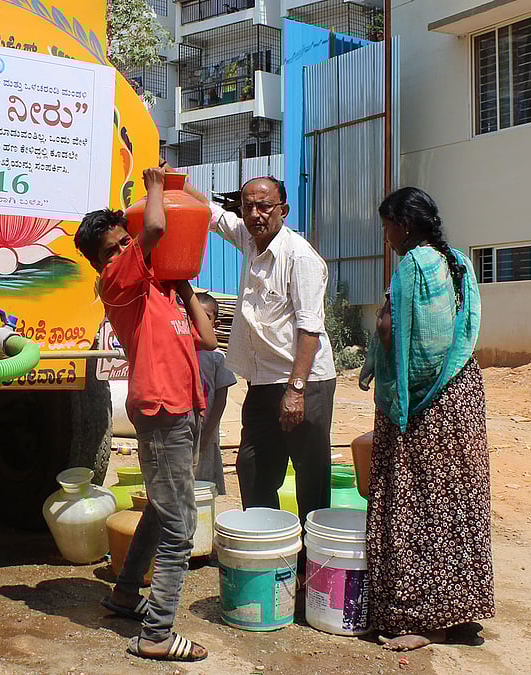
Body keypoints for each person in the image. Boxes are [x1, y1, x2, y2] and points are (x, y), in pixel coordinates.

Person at [74, 166, 216, 663]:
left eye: (121, 243)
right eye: (110, 249)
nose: (119, 253)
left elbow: (208, 339)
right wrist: (156, 186)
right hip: (162, 410)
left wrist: (186, 289)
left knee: (160, 508)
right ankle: (156, 633)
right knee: (180, 526)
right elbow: (154, 228)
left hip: (185, 407)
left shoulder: (158, 286)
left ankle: (124, 594)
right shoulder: (118, 282)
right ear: (100, 262)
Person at [360, 187, 491, 651]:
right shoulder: (456, 261)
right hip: (462, 396)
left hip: (427, 407)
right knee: (457, 502)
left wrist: (400, 396)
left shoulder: (415, 266)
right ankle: (458, 611)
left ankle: (420, 618)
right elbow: (461, 329)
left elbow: (418, 347)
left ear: (405, 225)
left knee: (415, 503)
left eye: (387, 226)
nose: (386, 236)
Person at [185, 177, 336, 535]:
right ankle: (267, 544)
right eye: (248, 205)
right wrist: (176, 180)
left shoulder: (299, 257)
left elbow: (309, 327)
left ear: (283, 210)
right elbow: (211, 214)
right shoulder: (250, 241)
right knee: (252, 467)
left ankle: (309, 566)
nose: (255, 213)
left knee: (309, 475)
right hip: (262, 381)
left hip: (304, 382)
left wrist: (296, 390)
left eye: (264, 206)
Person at [194, 292, 235, 495]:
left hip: (207, 433)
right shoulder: (180, 352)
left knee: (204, 486)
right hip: (183, 431)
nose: (197, 322)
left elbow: (221, 398)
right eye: (192, 316)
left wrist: (209, 430)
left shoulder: (218, 358)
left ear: (216, 324)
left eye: (205, 317)